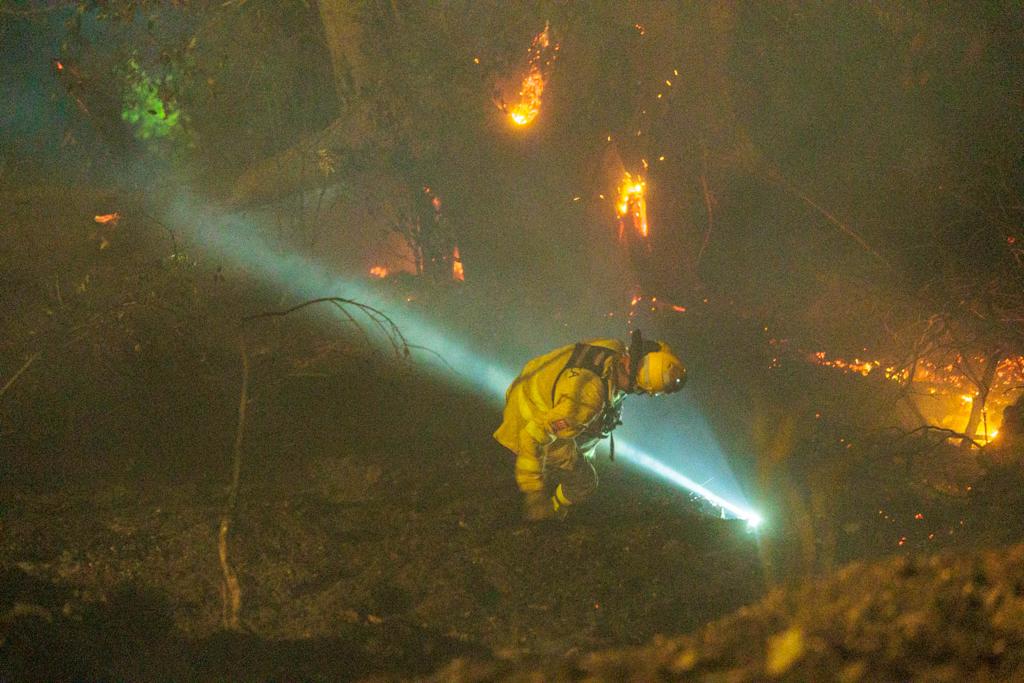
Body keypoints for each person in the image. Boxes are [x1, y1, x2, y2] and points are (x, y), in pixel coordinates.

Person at [493, 331, 687, 521]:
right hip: (526, 420)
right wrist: (534, 493)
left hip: (531, 387)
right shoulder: (587, 400)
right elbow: (532, 435)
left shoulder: (613, 349)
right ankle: (553, 510)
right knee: (585, 482)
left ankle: (555, 468)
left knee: (590, 436)